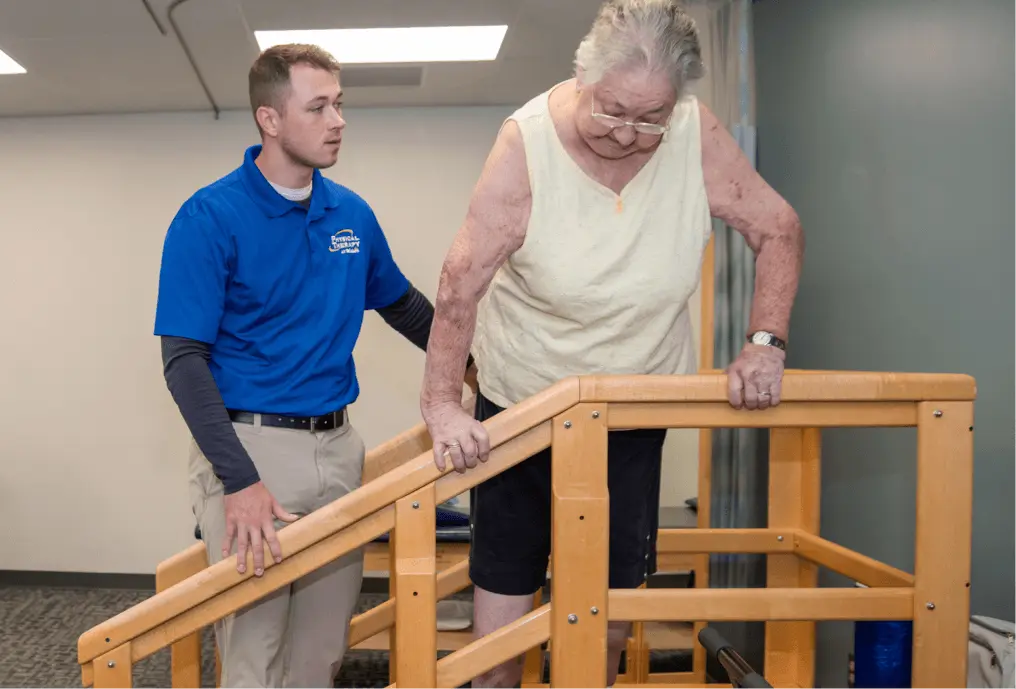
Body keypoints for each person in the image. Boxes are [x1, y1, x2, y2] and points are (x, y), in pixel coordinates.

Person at [419, 1, 804, 687]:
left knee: (599, 631)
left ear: (677, 104)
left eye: (650, 116)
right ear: (582, 76)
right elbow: (459, 280)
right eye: (612, 109)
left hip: (629, 413)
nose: (628, 132)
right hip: (518, 411)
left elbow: (778, 228)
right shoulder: (526, 144)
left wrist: (765, 342)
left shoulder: (693, 135)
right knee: (499, 644)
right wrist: (443, 405)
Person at [154, 44, 471, 689]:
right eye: (318, 106)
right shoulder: (209, 217)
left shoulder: (349, 213)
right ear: (269, 120)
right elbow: (184, 361)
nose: (338, 121)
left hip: (339, 448)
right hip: (252, 449)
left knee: (321, 654)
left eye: (340, 104)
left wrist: (484, 371)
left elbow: (405, 308)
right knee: (254, 655)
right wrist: (239, 482)